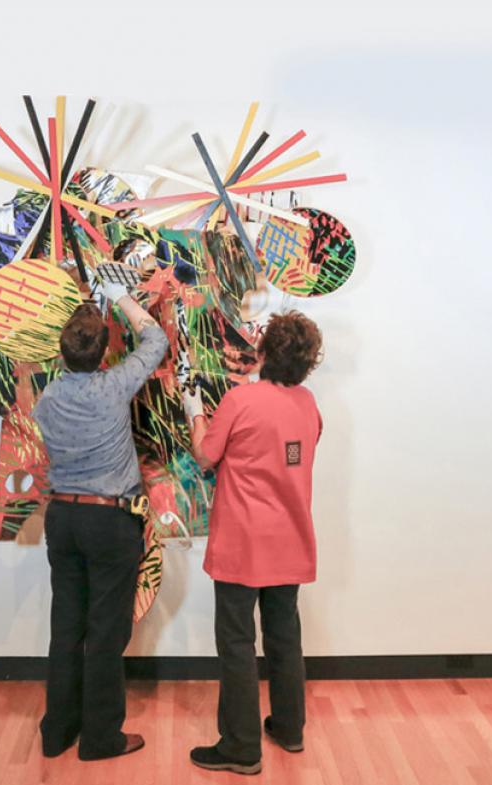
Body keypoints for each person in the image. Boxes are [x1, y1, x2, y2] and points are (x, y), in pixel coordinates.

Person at [31, 283, 168, 761]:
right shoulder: (113, 386)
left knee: (66, 626)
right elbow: (156, 342)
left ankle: (57, 731)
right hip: (108, 522)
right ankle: (100, 738)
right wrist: (121, 296)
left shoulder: (47, 398)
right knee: (106, 632)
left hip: (63, 518)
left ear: (62, 351)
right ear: (104, 348)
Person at [183, 310, 323, 776]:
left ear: (263, 353)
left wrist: (194, 411)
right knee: (285, 638)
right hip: (291, 541)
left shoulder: (241, 401)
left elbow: (206, 455)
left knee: (238, 644)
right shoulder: (308, 404)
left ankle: (241, 747)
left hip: (244, 545)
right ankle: (289, 727)